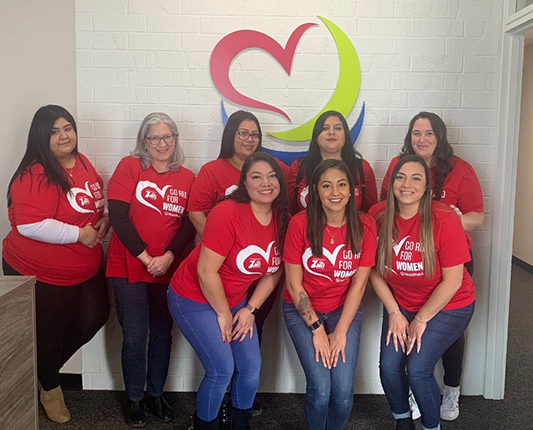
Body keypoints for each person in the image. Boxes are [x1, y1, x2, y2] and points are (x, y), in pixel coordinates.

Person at [2, 105, 110, 423]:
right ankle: (50, 387)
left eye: (68, 128)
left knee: (95, 316)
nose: (64, 136)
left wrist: (101, 221)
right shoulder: (34, 173)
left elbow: (91, 204)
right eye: (54, 131)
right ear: (41, 137)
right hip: (41, 270)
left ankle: (36, 372)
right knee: (50, 332)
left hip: (84, 266)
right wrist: (80, 233)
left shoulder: (84, 163)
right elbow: (29, 225)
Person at [168, 152, 289, 429]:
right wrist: (223, 313)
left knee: (249, 370)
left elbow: (274, 271)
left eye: (271, 176)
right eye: (256, 177)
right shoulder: (227, 212)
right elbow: (205, 271)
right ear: (244, 183)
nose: (265, 183)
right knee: (221, 370)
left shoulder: (283, 218)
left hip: (236, 300)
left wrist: (249, 309)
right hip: (193, 297)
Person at [380, 112, 484, 421]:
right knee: (401, 358)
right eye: (416, 133)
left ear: (439, 137)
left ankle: (450, 388)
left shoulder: (459, 171)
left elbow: (477, 215)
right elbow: (390, 207)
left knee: (444, 338)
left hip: (450, 263)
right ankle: (415, 390)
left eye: (428, 133)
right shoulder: (398, 169)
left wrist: (449, 222)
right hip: (405, 268)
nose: (421, 138)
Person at [107, 112, 195, 427]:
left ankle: (156, 393)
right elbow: (117, 216)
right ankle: (134, 398)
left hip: (168, 270)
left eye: (167, 136)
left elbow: (188, 225)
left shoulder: (186, 176)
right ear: (144, 141)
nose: (162, 143)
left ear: (175, 139)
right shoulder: (130, 167)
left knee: (162, 334)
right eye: (154, 137)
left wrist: (169, 257)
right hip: (128, 266)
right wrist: (147, 258)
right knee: (134, 335)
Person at [282, 159, 376, 430]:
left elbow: (359, 286)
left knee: (344, 395)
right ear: (315, 191)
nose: (335, 192)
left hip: (343, 309)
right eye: (326, 186)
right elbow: (294, 283)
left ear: (351, 191)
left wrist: (341, 330)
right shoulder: (300, 224)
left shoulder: (366, 226)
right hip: (302, 310)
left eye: (341, 184)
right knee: (321, 390)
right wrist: (317, 330)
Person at [286, 110, 377, 215]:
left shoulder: (362, 169)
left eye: (338, 128)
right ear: (316, 135)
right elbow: (290, 211)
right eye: (325, 128)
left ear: (346, 135)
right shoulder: (299, 168)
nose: (331, 132)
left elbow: (369, 213)